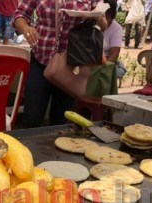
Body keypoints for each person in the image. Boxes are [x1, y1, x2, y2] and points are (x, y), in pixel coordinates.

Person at [14, 0, 107, 128]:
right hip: (40, 60)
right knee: (32, 118)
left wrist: (97, 17)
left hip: (71, 65)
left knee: (61, 121)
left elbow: (103, 24)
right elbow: (20, 15)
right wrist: (26, 28)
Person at [103, 0, 125, 77]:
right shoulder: (91, 24)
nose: (106, 17)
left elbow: (114, 54)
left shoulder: (116, 28)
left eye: (108, 15)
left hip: (105, 63)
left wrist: (102, 69)